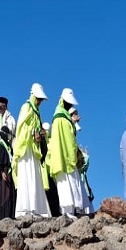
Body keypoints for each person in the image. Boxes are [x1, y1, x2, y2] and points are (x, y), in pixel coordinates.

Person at [12, 83, 51, 217]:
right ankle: (25, 208)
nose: (40, 102)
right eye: (38, 99)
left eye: (41, 100)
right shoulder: (26, 107)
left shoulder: (36, 112)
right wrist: (32, 134)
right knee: (26, 175)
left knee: (35, 177)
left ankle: (37, 208)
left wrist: (39, 134)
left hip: (34, 149)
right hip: (25, 149)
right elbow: (21, 128)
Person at [46, 88, 83, 219]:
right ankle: (71, 210)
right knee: (71, 182)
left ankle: (68, 211)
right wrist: (74, 155)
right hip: (67, 157)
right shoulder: (63, 118)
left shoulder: (56, 117)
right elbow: (70, 140)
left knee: (64, 184)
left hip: (58, 157)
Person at [0, 125, 16, 219]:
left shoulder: (8, 145)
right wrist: (2, 172)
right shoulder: (1, 146)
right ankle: (5, 216)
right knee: (5, 194)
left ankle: (11, 215)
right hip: (4, 173)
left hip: (10, 172)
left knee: (11, 194)